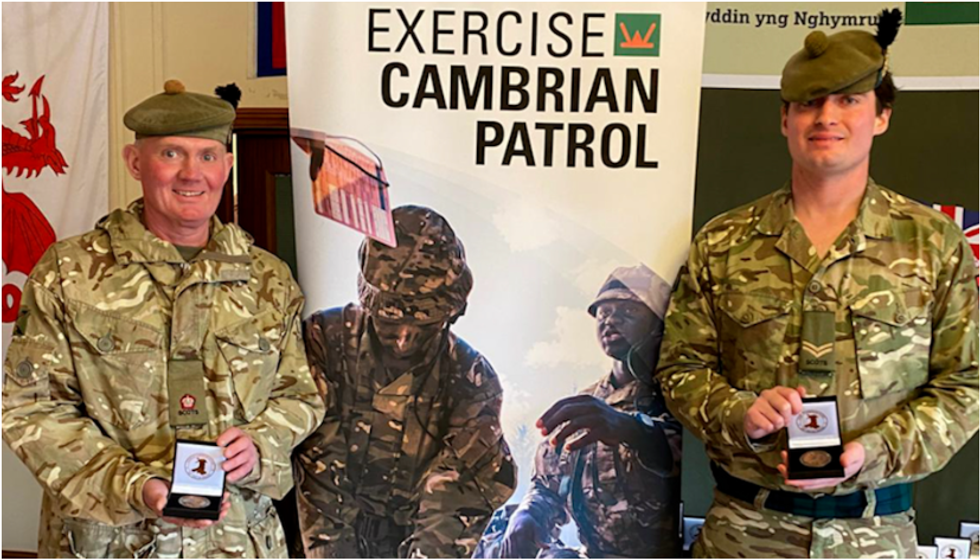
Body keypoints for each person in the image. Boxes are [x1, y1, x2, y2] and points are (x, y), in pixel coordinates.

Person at [657, 10, 979, 558]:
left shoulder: (933, 243)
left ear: (881, 115)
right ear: (785, 119)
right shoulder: (725, 242)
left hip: (876, 537)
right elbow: (680, 369)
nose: (826, 116)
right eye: (809, 102)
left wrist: (873, 451)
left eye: (849, 100)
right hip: (744, 535)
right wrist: (740, 413)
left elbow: (965, 386)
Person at [2, 80, 325, 557]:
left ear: (227, 166)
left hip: (235, 541)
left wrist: (260, 444)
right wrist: (135, 486)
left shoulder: (267, 280)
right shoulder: (70, 274)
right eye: (171, 154)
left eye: (208, 156)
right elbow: (31, 410)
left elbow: (300, 394)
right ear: (136, 163)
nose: (192, 174)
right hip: (108, 545)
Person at [293, 205, 517, 558]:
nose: (403, 340)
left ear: (452, 314)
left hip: (411, 540)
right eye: (388, 321)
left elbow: (453, 501)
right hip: (314, 540)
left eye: (425, 324)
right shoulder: (326, 341)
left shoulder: (471, 379)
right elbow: (320, 470)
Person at [480, 265, 682, 558]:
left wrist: (634, 431)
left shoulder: (680, 397)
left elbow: (682, 458)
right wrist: (530, 515)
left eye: (628, 312)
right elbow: (548, 487)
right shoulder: (586, 405)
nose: (611, 320)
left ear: (659, 324)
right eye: (604, 313)